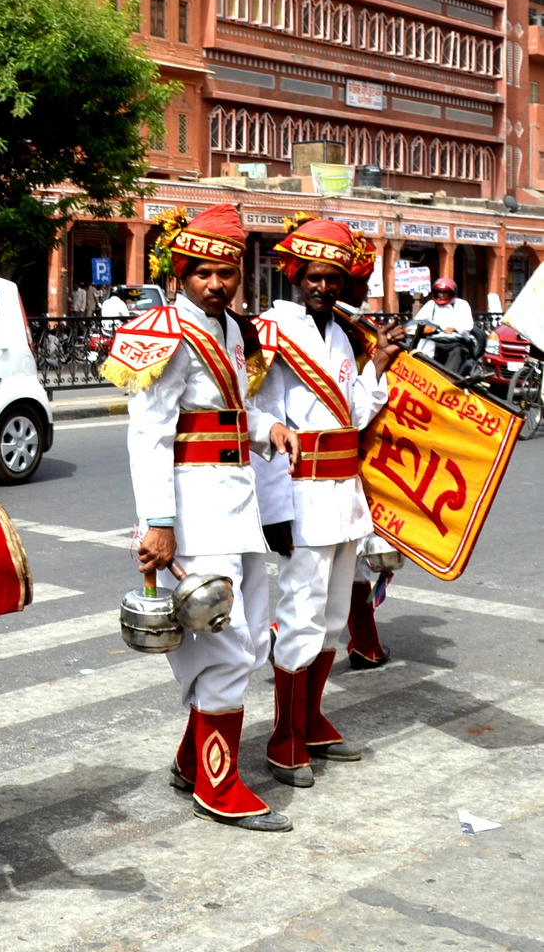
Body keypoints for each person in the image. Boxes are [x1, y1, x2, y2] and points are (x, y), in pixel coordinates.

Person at [102, 203, 298, 832]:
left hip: (238, 502)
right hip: (190, 508)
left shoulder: (234, 332)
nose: (216, 284)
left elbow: (232, 413)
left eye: (227, 272)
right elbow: (149, 433)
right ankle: (218, 783)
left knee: (249, 631)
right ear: (181, 270)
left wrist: (269, 428)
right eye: (203, 272)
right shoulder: (161, 330)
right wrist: (157, 522)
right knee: (225, 640)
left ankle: (194, 760)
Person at [251, 218, 403, 788]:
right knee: (299, 616)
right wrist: (276, 514)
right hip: (301, 495)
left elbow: (355, 416)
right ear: (295, 275)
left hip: (344, 496)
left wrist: (378, 367)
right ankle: (283, 736)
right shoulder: (271, 332)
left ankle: (312, 720)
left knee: (333, 620)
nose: (323, 286)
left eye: (333, 277)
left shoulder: (341, 337)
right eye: (314, 276)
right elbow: (254, 415)